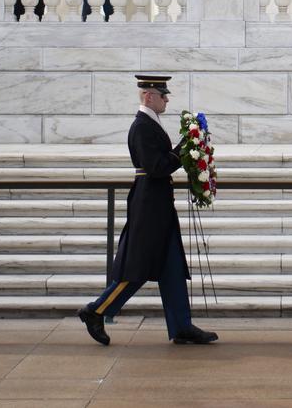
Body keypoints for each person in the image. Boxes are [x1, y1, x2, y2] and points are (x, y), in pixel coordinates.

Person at [78, 75, 218, 346]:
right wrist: (184, 150)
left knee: (173, 268)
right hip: (149, 205)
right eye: (162, 95)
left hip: (157, 202)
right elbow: (156, 167)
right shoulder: (141, 127)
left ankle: (181, 326)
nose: (166, 99)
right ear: (148, 96)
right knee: (137, 268)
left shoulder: (150, 124)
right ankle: (96, 310)